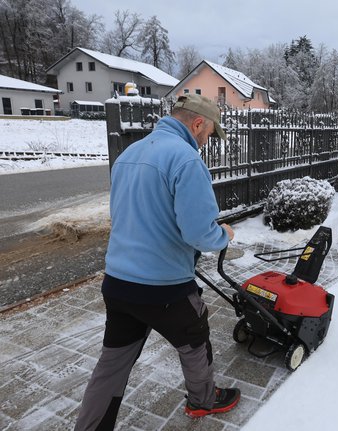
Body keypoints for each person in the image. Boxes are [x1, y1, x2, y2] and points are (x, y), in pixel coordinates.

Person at [75, 94, 239, 430]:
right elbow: (198, 232)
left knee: (112, 364)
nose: (206, 141)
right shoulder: (186, 160)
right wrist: (223, 234)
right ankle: (203, 400)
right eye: (208, 133)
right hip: (164, 287)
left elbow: (131, 214)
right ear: (197, 124)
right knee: (195, 340)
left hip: (118, 282)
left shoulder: (128, 155)